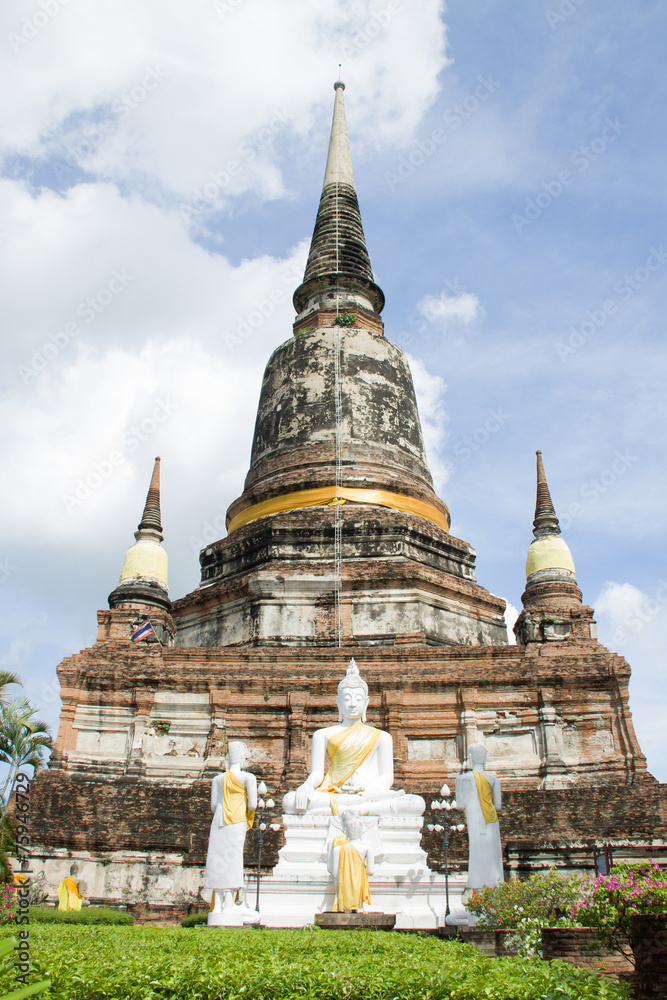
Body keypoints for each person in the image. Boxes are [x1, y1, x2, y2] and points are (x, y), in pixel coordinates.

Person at [282, 659, 423, 817]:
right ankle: (358, 810)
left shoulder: (382, 737)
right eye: (347, 698)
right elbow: (316, 774)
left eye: (358, 699)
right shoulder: (322, 734)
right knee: (289, 801)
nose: (352, 704)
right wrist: (307, 786)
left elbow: (387, 777)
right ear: (338, 702)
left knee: (416, 804)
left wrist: (367, 791)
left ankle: (355, 808)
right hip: (335, 793)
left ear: (366, 703)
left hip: (369, 794)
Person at [204, 741, 257, 914]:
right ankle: (229, 905)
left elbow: (213, 806)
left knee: (217, 860)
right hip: (237, 821)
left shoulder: (217, 779)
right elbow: (254, 805)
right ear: (243, 757)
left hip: (219, 821)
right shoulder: (248, 778)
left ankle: (218, 906)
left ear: (228, 757)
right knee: (233, 861)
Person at [455, 743, 503, 889]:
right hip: (491, 819)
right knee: (493, 853)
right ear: (485, 758)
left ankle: (476, 883)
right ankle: (495, 883)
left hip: (474, 816)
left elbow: (460, 805)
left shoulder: (461, 779)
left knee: (476, 850)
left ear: (469, 758)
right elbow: (498, 806)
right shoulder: (494, 780)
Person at [327, 810, 375, 912]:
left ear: (345, 830)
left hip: (343, 889)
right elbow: (370, 871)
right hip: (359, 886)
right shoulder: (367, 848)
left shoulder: (337, 849)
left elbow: (334, 872)